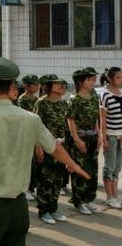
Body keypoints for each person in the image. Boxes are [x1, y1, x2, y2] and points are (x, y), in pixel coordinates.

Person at [0, 56, 89, 246]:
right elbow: (54, 146)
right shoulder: (31, 119)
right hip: (18, 207)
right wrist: (73, 164)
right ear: (11, 89)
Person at [34, 74, 69, 225]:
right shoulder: (41, 103)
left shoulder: (63, 104)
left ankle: (53, 208)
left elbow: (65, 126)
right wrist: (38, 147)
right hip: (46, 146)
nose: (61, 86)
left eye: (61, 84)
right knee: (45, 180)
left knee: (58, 180)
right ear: (48, 86)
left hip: (60, 147)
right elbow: (36, 126)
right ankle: (44, 210)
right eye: (57, 84)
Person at [67, 67, 102, 215]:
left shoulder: (94, 94)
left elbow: (96, 116)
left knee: (92, 169)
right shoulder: (75, 99)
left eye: (94, 79)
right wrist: (77, 139)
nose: (93, 81)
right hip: (80, 137)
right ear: (80, 82)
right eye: (90, 79)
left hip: (93, 136)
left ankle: (88, 199)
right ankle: (78, 201)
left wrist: (99, 134)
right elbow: (71, 120)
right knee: (81, 169)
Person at [99, 66, 122, 208]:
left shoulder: (121, 93)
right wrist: (104, 138)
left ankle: (115, 195)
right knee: (110, 166)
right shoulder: (105, 95)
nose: (121, 79)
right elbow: (102, 119)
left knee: (118, 166)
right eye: (118, 77)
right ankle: (109, 196)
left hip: (121, 135)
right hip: (111, 136)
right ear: (110, 78)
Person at [18, 74, 40, 201]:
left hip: (34, 133)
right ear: (26, 85)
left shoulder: (36, 99)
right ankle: (24, 188)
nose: (37, 86)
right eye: (34, 84)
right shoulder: (23, 99)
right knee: (26, 162)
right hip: (25, 134)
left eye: (37, 84)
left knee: (33, 163)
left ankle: (30, 187)